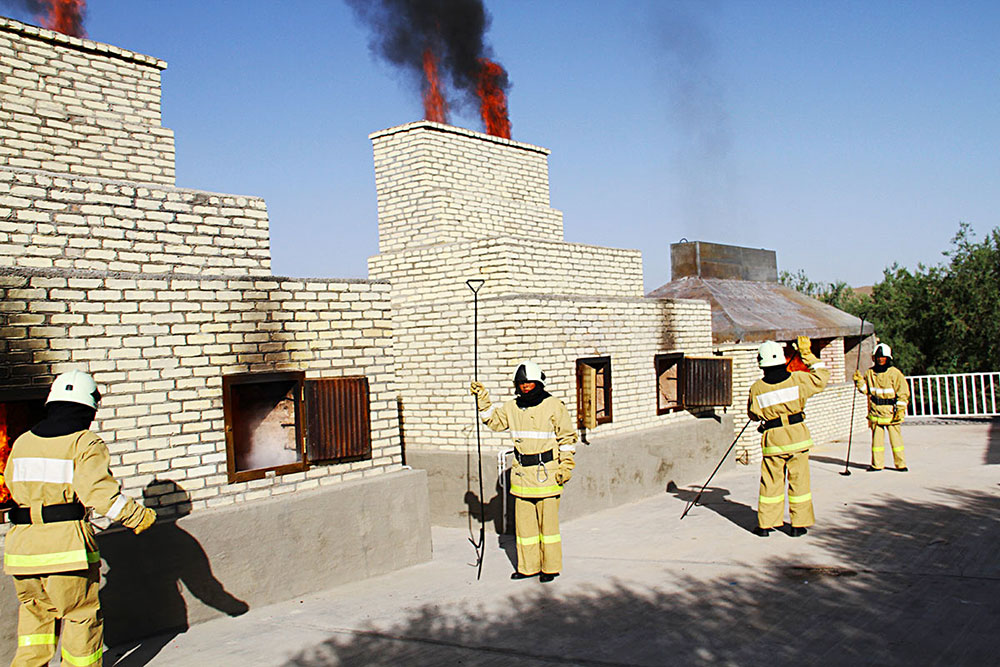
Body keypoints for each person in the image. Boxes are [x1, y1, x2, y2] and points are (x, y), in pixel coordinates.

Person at [4, 370, 157, 667]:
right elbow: (100, 495)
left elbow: (12, 485)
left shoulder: (22, 441)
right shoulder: (85, 443)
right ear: (88, 409)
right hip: (65, 550)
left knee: (35, 622)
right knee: (79, 619)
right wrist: (138, 516)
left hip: (22, 550)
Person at [470, 361, 576, 582]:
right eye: (521, 384)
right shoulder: (512, 407)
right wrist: (482, 399)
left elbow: (566, 438)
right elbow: (494, 421)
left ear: (538, 383)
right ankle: (528, 567)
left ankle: (550, 567)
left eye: (529, 383)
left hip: (547, 473)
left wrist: (566, 466)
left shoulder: (554, 405)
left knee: (548, 528)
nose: (525, 387)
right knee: (525, 529)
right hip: (521, 476)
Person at [747, 337, 829, 537]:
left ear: (761, 363)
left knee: (770, 483)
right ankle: (797, 525)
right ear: (782, 359)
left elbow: (753, 414)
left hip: (773, 441)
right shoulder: (798, 379)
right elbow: (822, 377)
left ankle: (766, 525)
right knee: (799, 483)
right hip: (797, 438)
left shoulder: (757, 388)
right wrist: (807, 354)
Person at [854, 342, 910, 472]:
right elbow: (865, 390)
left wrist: (900, 409)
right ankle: (877, 464)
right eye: (878, 357)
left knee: (896, 441)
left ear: (888, 358)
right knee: (876, 442)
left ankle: (900, 464)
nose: (880, 359)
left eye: (883, 357)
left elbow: (903, 393)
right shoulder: (870, 373)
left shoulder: (895, 374)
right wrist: (859, 382)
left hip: (891, 412)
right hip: (876, 412)